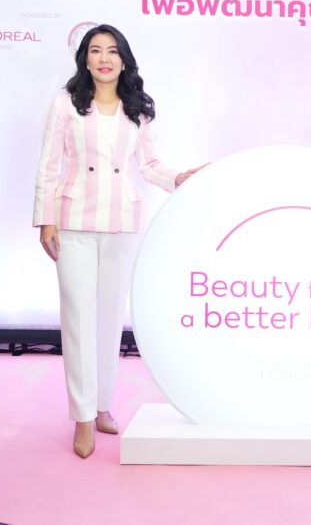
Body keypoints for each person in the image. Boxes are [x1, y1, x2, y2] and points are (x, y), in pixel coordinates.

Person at [33, 23, 201, 458]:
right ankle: (82, 417)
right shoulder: (67, 102)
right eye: (95, 50)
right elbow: (49, 164)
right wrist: (45, 220)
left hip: (121, 220)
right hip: (72, 220)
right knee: (78, 318)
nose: (104, 58)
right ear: (85, 59)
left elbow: (150, 165)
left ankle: (102, 406)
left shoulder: (137, 108)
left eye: (112, 51)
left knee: (109, 321)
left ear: (123, 59)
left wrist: (178, 178)